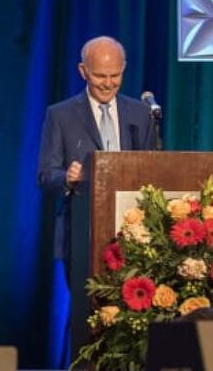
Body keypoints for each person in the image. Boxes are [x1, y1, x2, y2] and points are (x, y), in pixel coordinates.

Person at [37, 36, 159, 261]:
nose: (108, 83)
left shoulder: (141, 114)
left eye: (115, 75)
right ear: (83, 71)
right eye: (100, 76)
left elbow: (154, 171)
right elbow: (46, 175)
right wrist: (67, 177)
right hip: (81, 232)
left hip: (134, 234)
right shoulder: (61, 115)